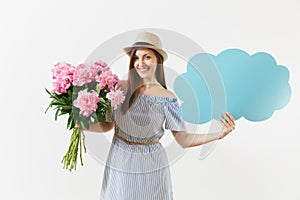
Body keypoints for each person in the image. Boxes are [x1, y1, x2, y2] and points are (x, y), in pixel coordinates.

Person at [86, 32, 236, 200]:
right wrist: (81, 124)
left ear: (158, 59)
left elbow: (184, 140)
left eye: (147, 57)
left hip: (151, 165)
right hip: (120, 160)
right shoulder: (119, 88)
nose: (140, 63)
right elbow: (107, 125)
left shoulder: (167, 97)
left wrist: (218, 134)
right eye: (136, 58)